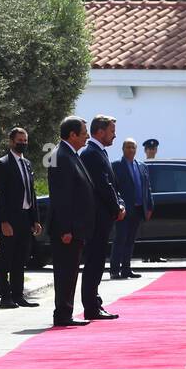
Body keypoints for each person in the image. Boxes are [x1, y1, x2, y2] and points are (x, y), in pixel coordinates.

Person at [49, 116, 97, 327]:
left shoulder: (71, 154)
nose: (87, 136)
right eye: (84, 132)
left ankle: (66, 311)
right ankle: (62, 314)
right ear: (72, 135)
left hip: (76, 228)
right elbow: (61, 197)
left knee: (70, 271)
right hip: (67, 230)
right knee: (65, 272)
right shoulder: (60, 156)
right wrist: (66, 228)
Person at [79, 114, 126, 320]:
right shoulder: (91, 154)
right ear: (100, 131)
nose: (114, 136)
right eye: (112, 131)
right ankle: (91, 306)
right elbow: (102, 186)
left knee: (98, 261)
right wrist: (116, 207)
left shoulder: (100, 152)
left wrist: (120, 203)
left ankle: (94, 303)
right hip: (96, 217)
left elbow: (112, 185)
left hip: (104, 217)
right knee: (93, 262)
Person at [0, 127, 41, 309]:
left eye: (25, 140)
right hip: (10, 219)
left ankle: (18, 294)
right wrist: (3, 221)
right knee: (6, 258)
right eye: (19, 140)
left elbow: (32, 192)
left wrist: (35, 219)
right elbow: (1, 194)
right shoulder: (3, 163)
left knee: (21, 258)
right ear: (11, 141)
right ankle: (5, 296)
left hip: (25, 217)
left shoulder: (27, 164)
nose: (22, 143)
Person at [111, 136, 153, 280]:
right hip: (123, 209)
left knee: (130, 240)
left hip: (138, 208)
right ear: (123, 149)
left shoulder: (142, 166)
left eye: (133, 147)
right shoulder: (116, 166)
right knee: (120, 239)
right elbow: (113, 188)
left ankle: (126, 269)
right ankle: (115, 270)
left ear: (136, 150)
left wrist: (149, 207)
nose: (130, 149)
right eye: (128, 147)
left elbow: (147, 188)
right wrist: (118, 206)